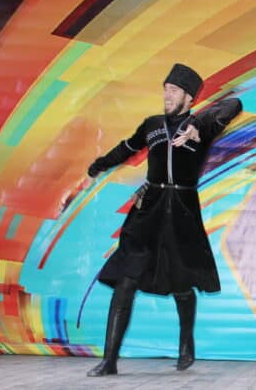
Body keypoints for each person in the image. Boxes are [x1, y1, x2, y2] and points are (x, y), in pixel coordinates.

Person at [85, 64, 243, 376]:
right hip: (149, 210)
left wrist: (198, 122)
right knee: (126, 281)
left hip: (182, 212)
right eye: (165, 89)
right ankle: (109, 361)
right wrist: (99, 165)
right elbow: (126, 148)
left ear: (189, 97)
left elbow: (234, 103)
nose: (167, 95)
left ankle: (186, 343)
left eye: (174, 90)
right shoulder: (152, 124)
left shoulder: (202, 126)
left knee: (181, 284)